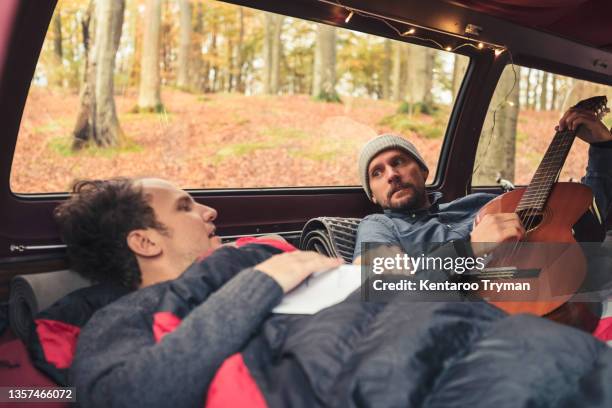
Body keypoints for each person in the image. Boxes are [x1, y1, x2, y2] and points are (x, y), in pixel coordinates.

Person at [58, 181, 612, 407]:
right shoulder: (124, 317)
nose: (209, 211)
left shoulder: (270, 256)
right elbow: (130, 394)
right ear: (143, 241)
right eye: (184, 207)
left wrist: (468, 252)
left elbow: (394, 286)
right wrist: (263, 282)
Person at [353, 107, 612, 263]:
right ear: (373, 196)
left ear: (423, 170)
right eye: (377, 173)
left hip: (562, 278)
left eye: (398, 161)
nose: (391, 175)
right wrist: (469, 249)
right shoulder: (378, 226)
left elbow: (582, 214)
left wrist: (603, 147)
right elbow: (381, 285)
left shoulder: (482, 203)